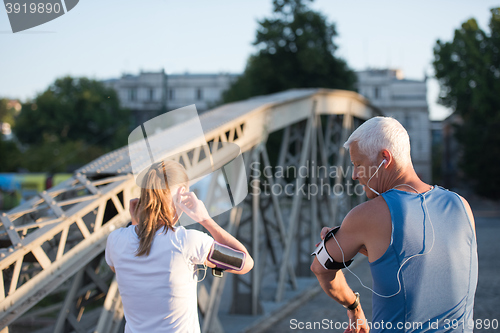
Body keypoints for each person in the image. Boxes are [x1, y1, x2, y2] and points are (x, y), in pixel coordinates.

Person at [310, 116, 478, 333]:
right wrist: (373, 249)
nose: (354, 175)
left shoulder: (369, 215)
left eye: (358, 164)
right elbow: (429, 262)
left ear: (384, 158)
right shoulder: (460, 205)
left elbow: (320, 268)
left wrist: (354, 306)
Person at [105, 160, 254, 333]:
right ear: (182, 193)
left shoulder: (115, 240)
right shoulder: (188, 241)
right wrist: (205, 219)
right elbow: (245, 263)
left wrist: (136, 223)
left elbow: (125, 268)